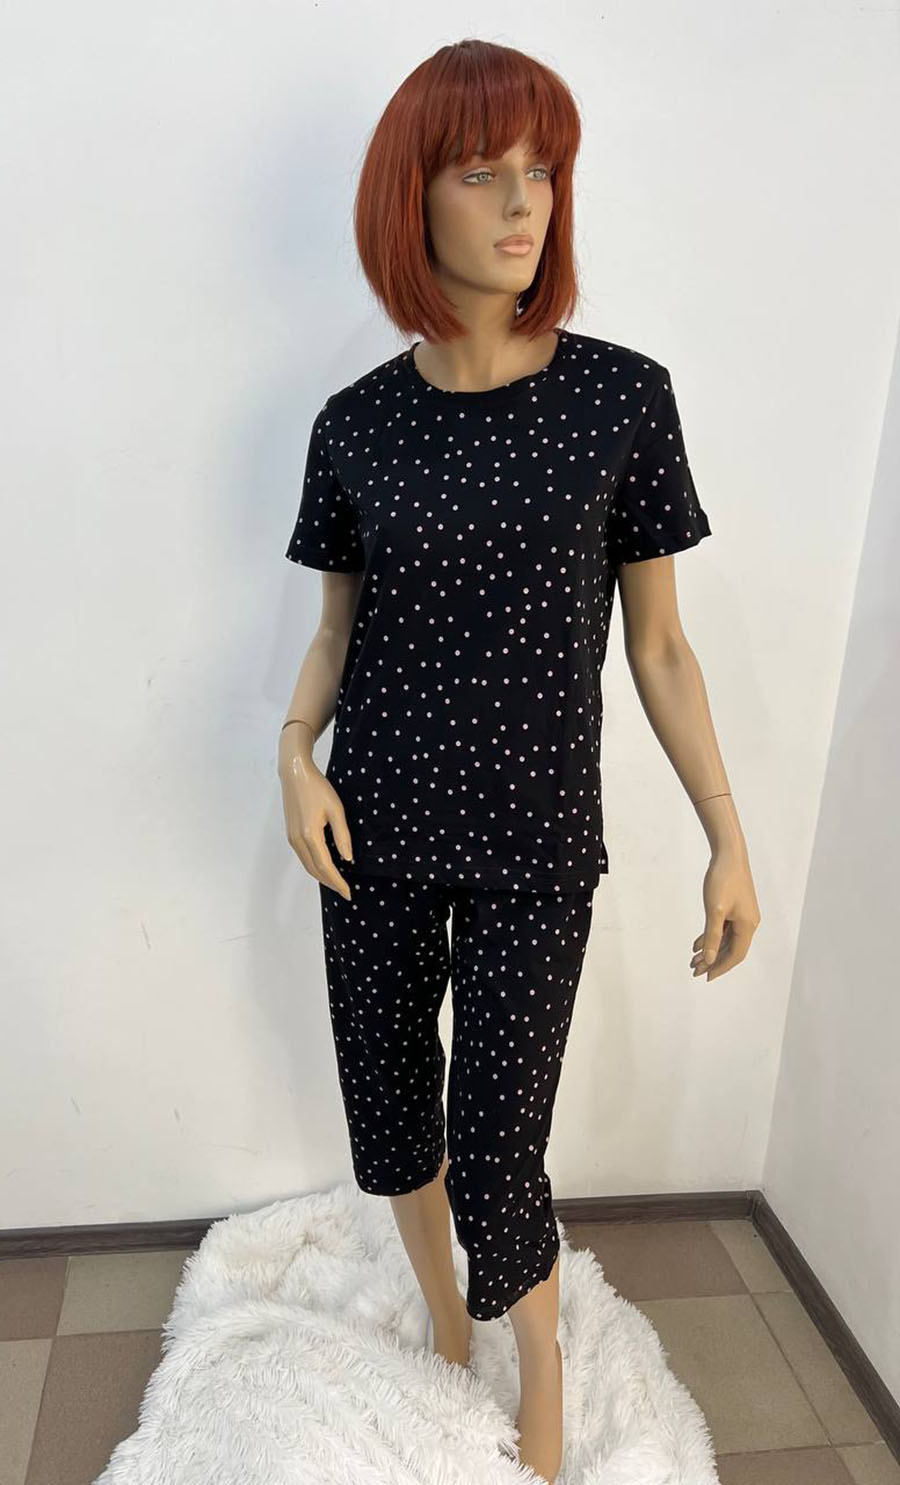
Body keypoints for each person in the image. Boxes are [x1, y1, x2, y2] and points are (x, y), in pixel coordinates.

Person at [277, 37, 760, 1485]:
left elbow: (659, 646)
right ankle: (445, 1316)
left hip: (537, 839)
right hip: (370, 824)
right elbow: (335, 634)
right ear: (409, 200)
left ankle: (541, 1360)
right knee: (389, 1109)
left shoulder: (622, 402)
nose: (522, 202)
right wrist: (295, 753)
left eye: (542, 170)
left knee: (497, 1140)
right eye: (483, 172)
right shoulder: (356, 426)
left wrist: (729, 833)